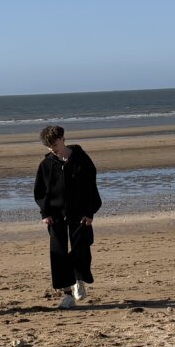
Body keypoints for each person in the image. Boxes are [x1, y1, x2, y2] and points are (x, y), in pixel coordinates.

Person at [33, 124, 101, 308]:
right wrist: (45, 213)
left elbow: (91, 186)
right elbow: (40, 191)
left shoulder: (81, 159)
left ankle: (79, 280)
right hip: (55, 215)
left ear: (63, 139)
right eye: (49, 146)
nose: (52, 149)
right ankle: (67, 294)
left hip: (80, 213)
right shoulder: (46, 164)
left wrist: (90, 212)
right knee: (58, 254)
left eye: (54, 144)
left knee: (81, 248)